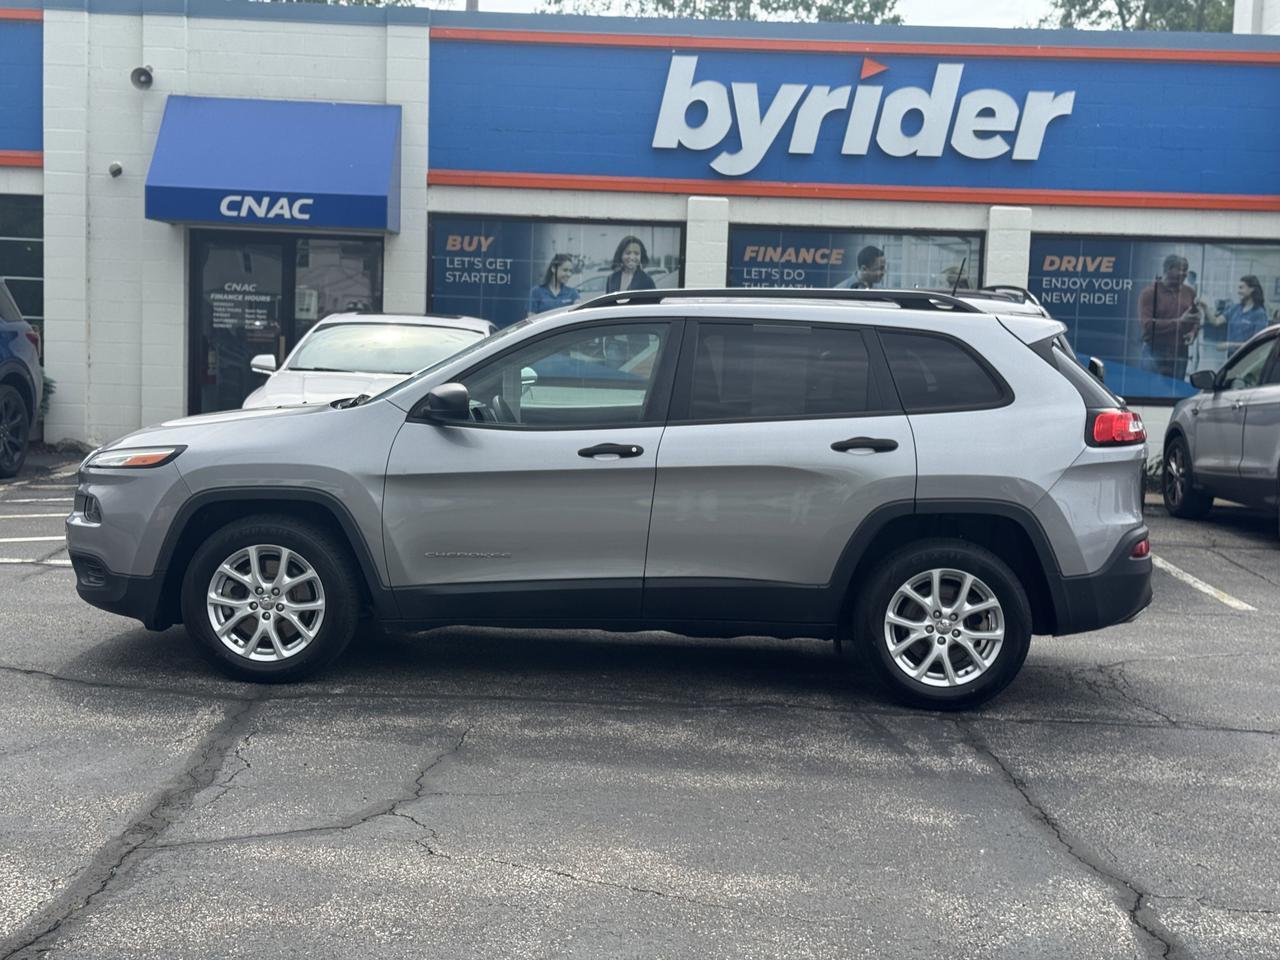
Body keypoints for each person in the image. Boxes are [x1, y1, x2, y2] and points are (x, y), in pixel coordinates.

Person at [1139, 254, 1201, 381]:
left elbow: (1195, 319)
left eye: (1186, 270)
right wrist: (1179, 322)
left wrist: (1193, 332)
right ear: (1168, 269)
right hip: (1155, 351)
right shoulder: (1150, 293)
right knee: (1149, 391)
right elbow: (1147, 326)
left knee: (1175, 391)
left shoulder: (1190, 292)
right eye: (1181, 270)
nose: (1185, 274)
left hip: (1180, 352)